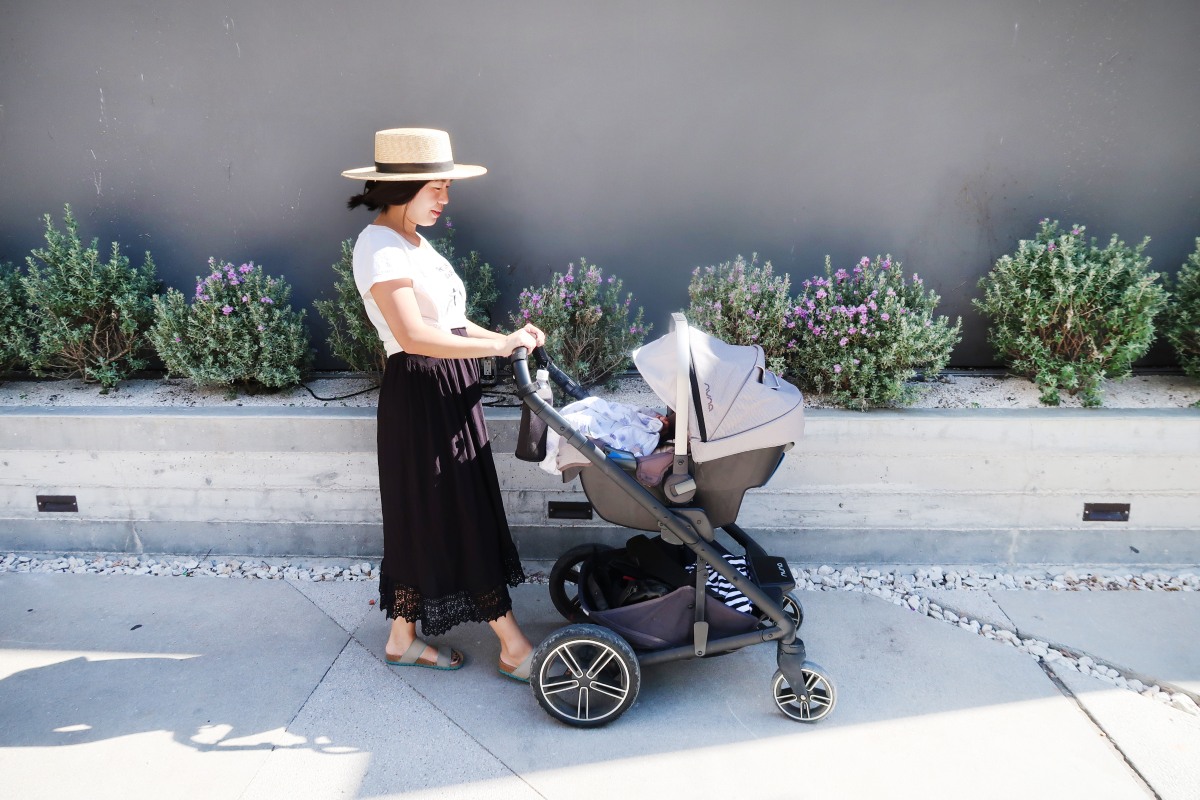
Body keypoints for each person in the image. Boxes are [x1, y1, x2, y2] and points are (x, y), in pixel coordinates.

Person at [342, 128, 544, 681]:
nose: (445, 199)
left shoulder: (411, 241)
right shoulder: (378, 247)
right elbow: (412, 336)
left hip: (449, 389)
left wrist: (504, 338)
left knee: (428, 513)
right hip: (422, 392)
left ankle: (402, 638)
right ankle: (511, 645)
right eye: (438, 187)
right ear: (405, 186)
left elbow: (449, 322)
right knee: (457, 514)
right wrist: (495, 347)